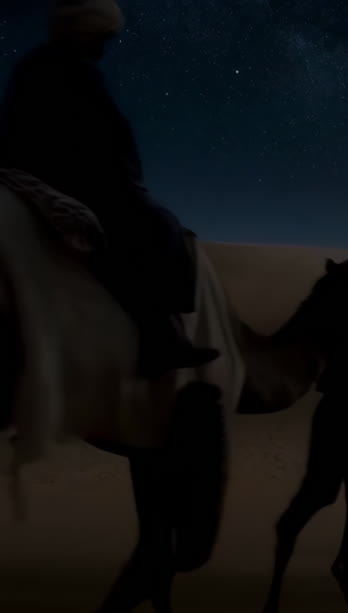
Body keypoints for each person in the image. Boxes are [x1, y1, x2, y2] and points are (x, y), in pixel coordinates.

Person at [0, 0, 219, 378]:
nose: (105, 46)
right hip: (75, 180)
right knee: (157, 225)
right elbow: (97, 141)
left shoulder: (35, 66)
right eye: (102, 37)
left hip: (37, 171)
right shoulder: (73, 72)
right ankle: (159, 339)